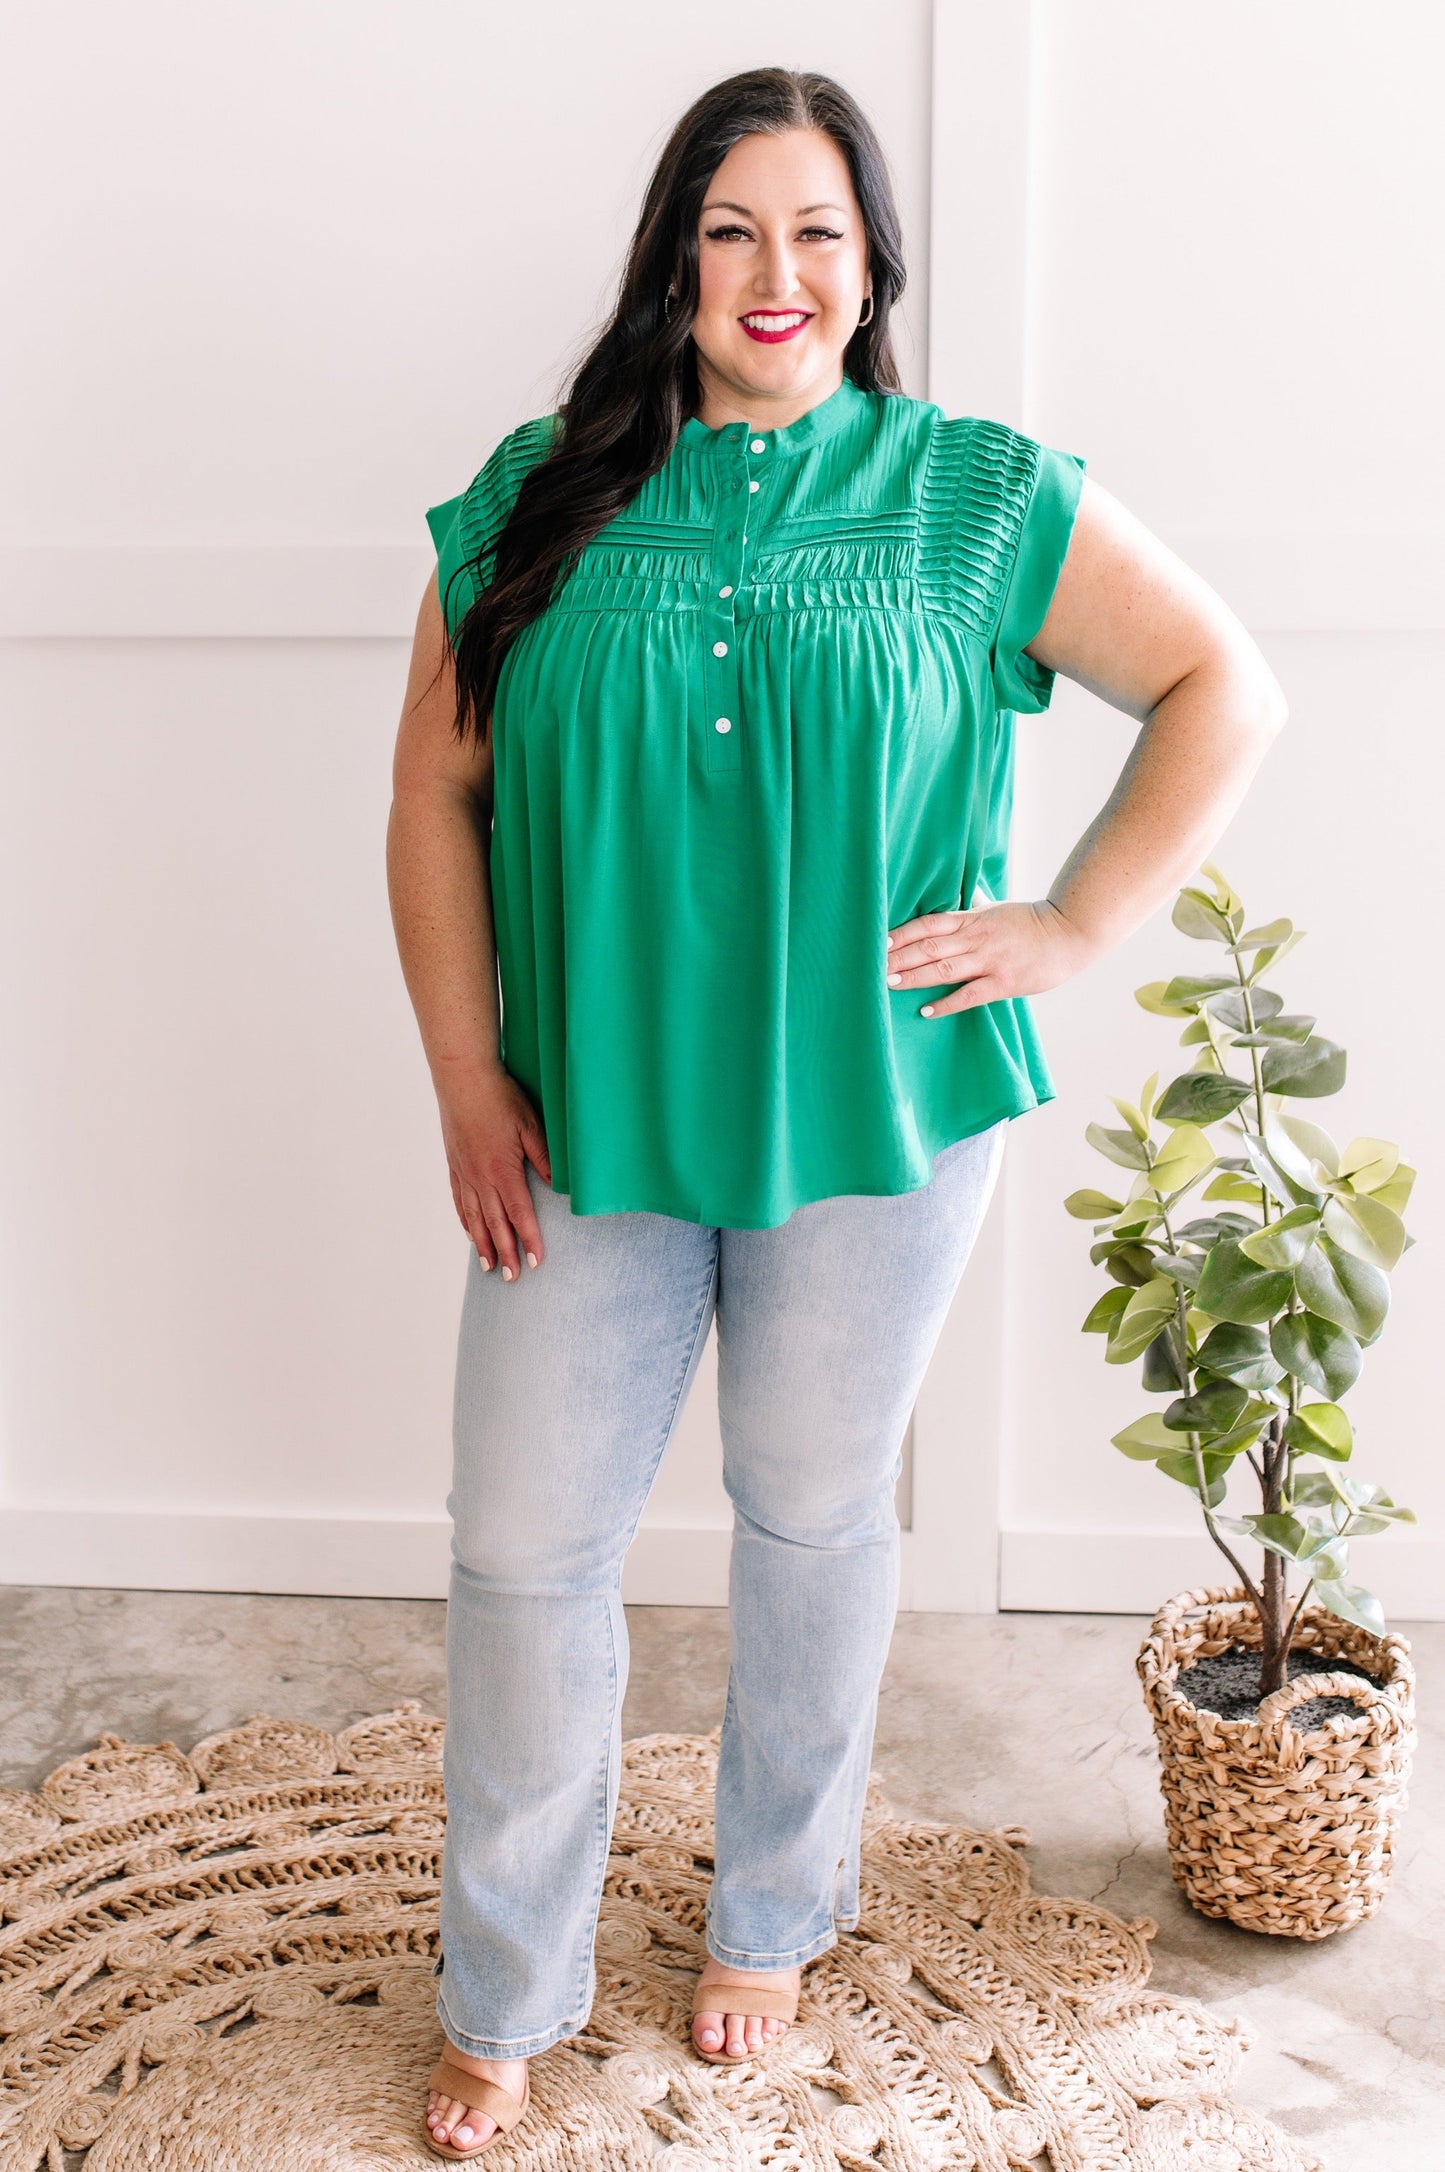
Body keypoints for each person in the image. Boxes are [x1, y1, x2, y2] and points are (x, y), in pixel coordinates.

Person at [386, 65, 1286, 2160]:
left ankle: (772, 1918)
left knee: (809, 1529)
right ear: (671, 260)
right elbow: (433, 794)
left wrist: (1071, 919)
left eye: (818, 232)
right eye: (730, 230)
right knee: (525, 1549)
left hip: (882, 1121)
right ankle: (505, 1985)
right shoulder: (538, 495)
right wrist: (464, 1069)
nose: (775, 275)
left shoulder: (972, 494)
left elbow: (1222, 682)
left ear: (875, 261)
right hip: (585, 1124)